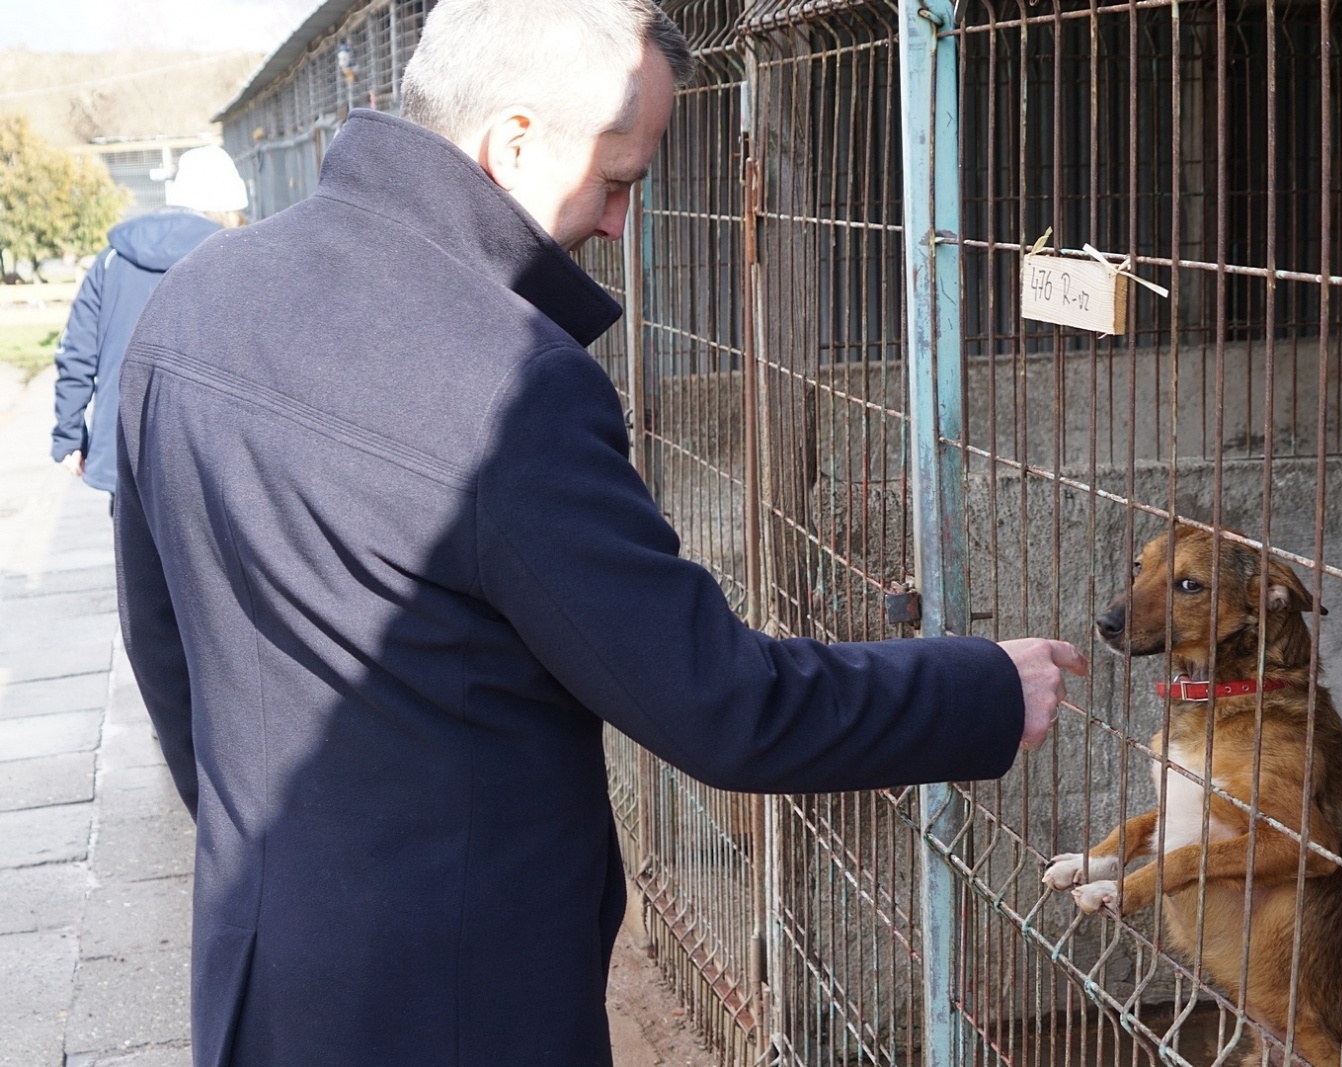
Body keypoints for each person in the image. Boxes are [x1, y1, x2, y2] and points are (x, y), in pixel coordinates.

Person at [112, 2, 1087, 1064]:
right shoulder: (507, 385)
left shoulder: (195, 300)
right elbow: (718, 701)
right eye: (618, 179)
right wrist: (981, 686)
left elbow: (165, 650)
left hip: (256, 973)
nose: (622, 224)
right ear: (516, 140)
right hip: (461, 1000)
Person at [51, 145, 247, 501]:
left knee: (134, 554)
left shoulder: (114, 257)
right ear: (232, 205)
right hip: (208, 450)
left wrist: (68, 436)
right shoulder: (234, 255)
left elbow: (77, 350)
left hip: (123, 441)